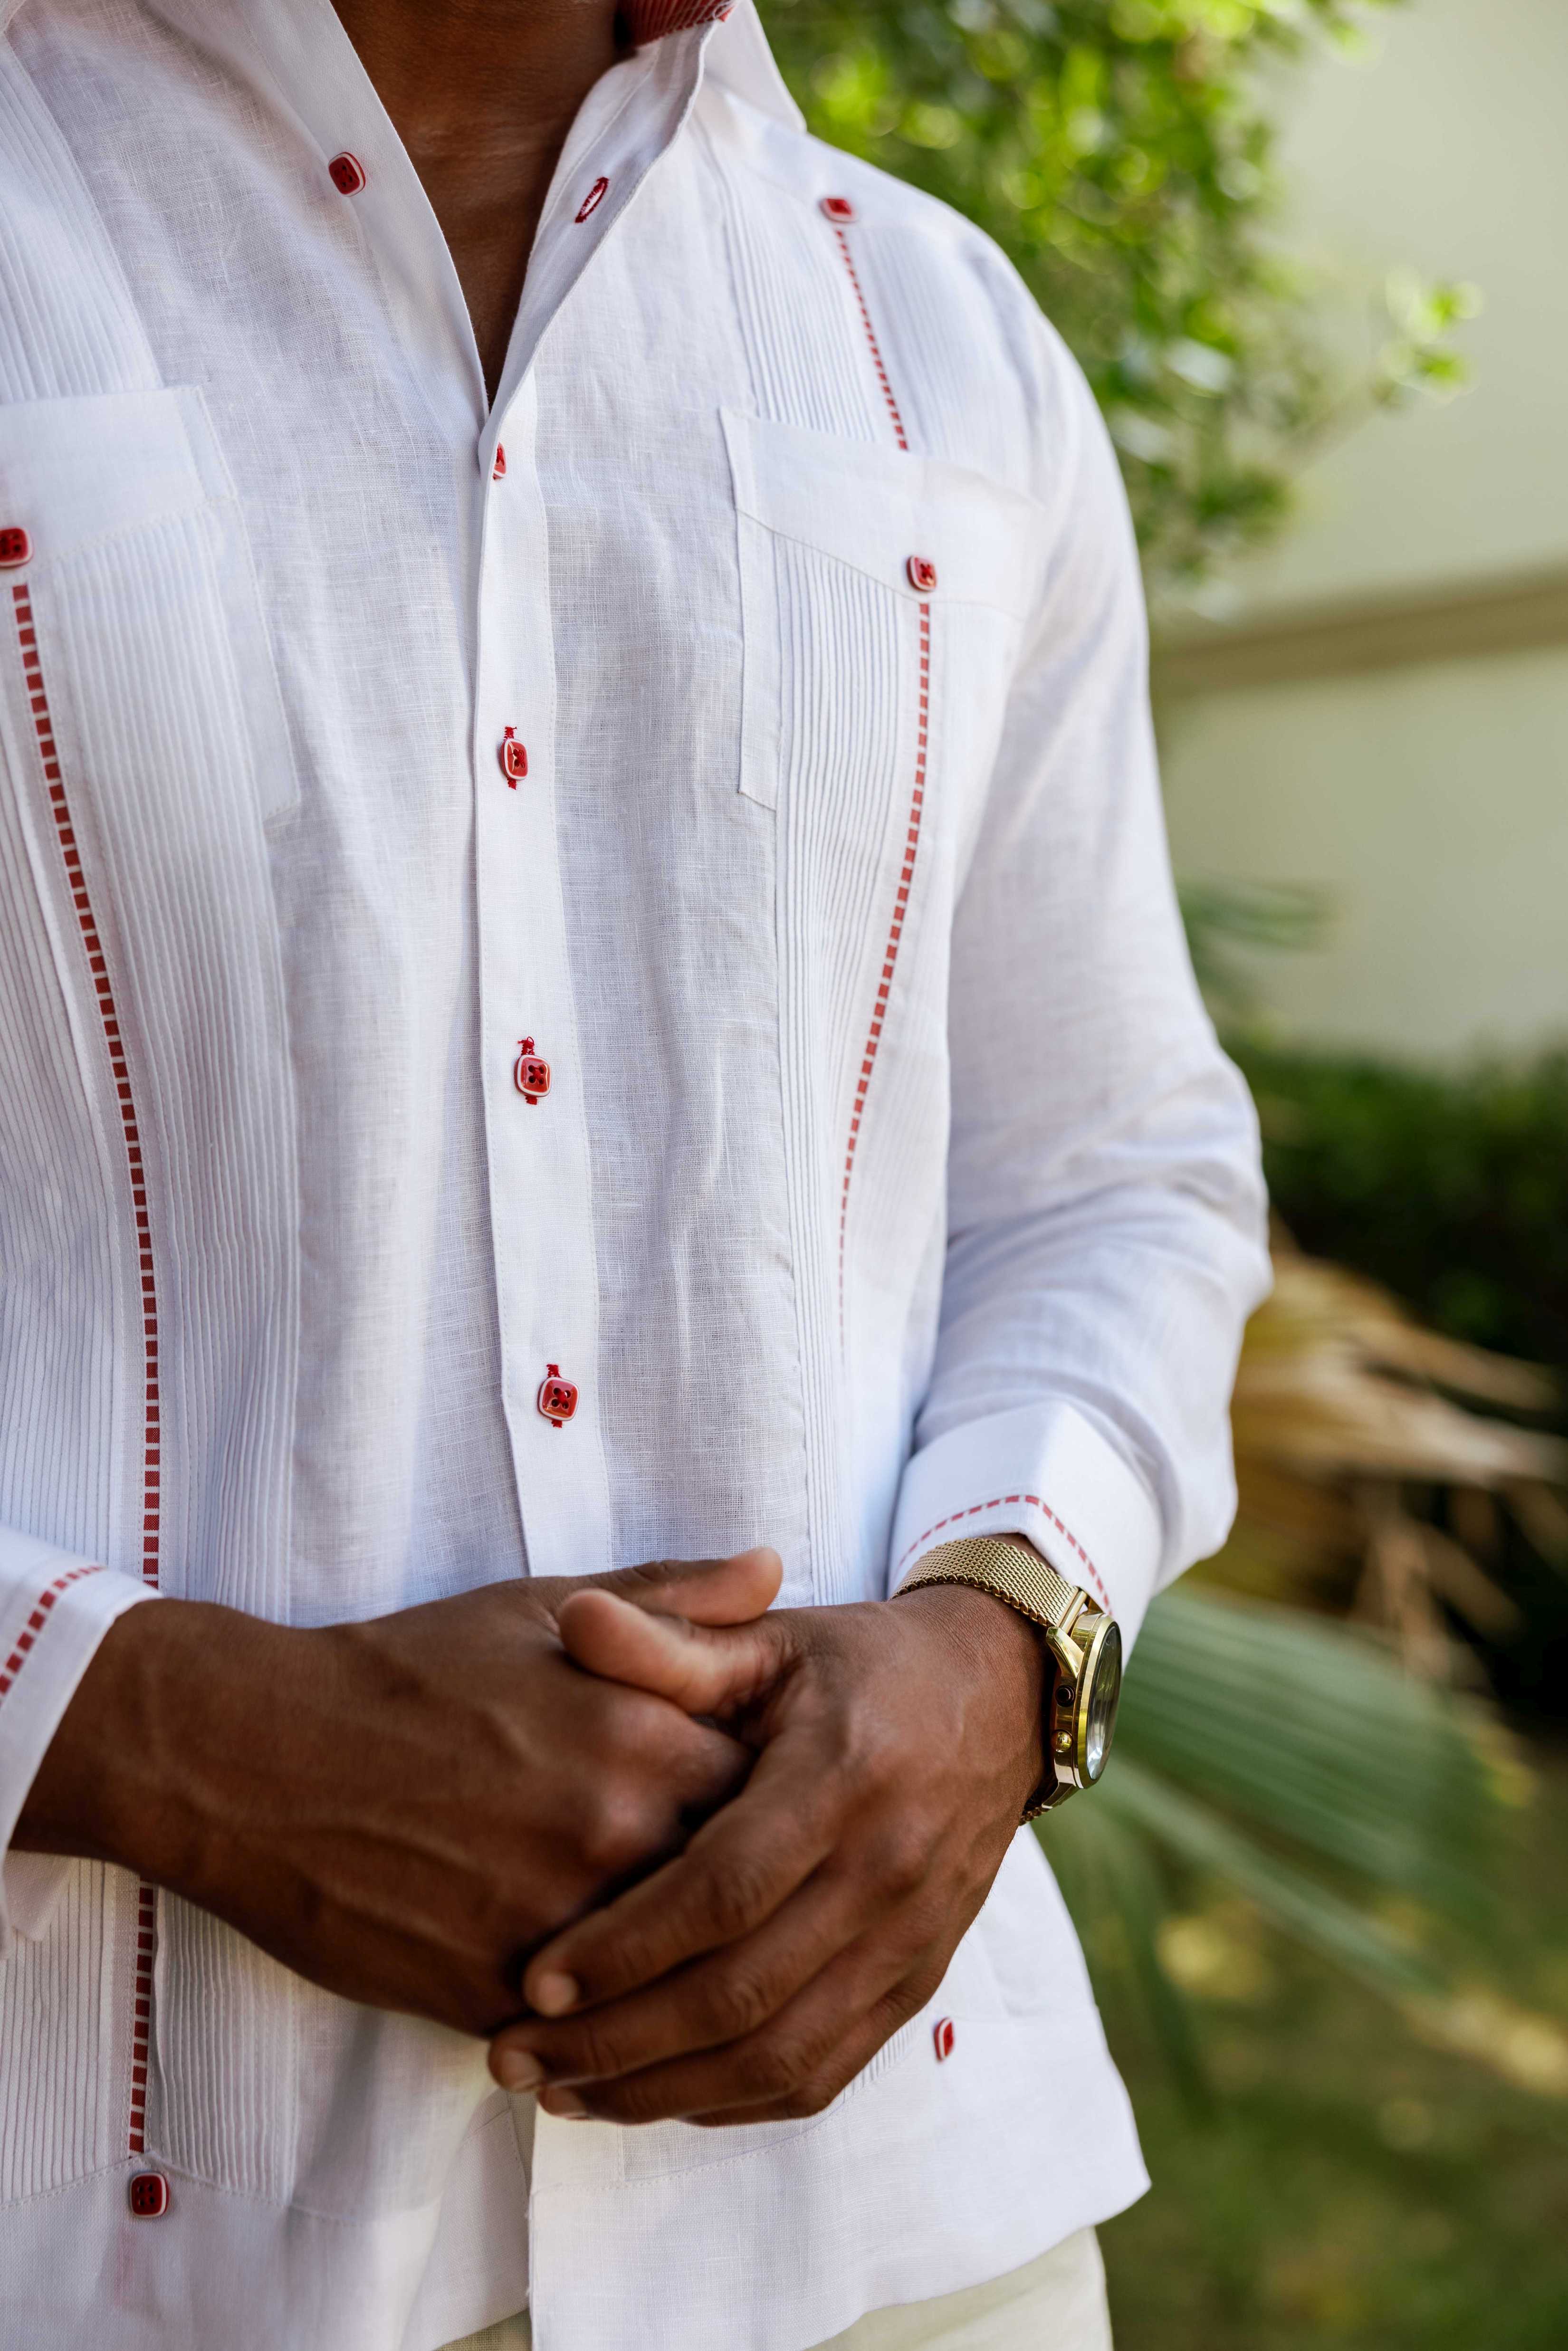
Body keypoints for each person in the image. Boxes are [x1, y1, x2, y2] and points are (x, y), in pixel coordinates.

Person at [0, 1, 1269, 2345]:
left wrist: (1011, 1643)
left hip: (912, 2238)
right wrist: (149, 1733)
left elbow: (1115, 1168)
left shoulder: (940, 345)